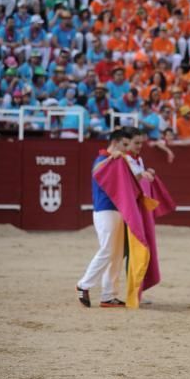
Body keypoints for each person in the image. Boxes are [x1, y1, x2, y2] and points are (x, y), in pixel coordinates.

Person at [75, 129, 130, 308]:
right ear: (115, 142)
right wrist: (111, 158)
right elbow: (96, 171)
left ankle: (108, 295)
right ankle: (83, 285)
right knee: (107, 250)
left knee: (116, 254)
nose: (126, 149)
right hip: (104, 210)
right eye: (124, 144)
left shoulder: (119, 160)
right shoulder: (102, 158)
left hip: (116, 210)